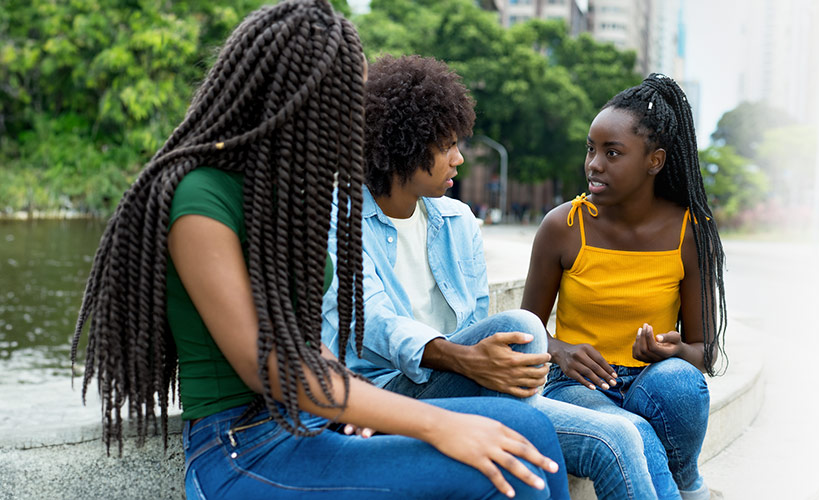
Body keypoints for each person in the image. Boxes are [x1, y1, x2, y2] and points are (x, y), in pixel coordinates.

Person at [68, 2, 565, 498]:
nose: (357, 123)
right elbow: (271, 367)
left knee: (530, 432)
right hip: (243, 449)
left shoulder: (284, 198)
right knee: (508, 456)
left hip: (312, 424)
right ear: (293, 101)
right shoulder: (201, 196)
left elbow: (310, 345)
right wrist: (435, 424)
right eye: (346, 104)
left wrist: (357, 409)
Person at [323, 54, 677, 500]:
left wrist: (477, 364)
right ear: (403, 144)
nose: (459, 158)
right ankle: (528, 418)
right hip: (376, 395)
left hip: (463, 388)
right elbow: (372, 320)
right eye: (446, 145)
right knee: (524, 326)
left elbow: (473, 325)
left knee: (622, 436)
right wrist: (461, 358)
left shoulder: (458, 222)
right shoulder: (339, 217)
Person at [521, 74, 727, 500]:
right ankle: (691, 493)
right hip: (577, 386)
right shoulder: (564, 226)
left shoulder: (691, 232)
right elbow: (524, 331)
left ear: (654, 161)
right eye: (591, 149)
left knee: (682, 383)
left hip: (653, 384)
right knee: (629, 431)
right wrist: (559, 349)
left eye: (612, 153)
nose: (594, 164)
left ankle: (685, 480)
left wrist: (671, 352)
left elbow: (704, 352)